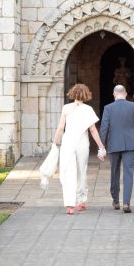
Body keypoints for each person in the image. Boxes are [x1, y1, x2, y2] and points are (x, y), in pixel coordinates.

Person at [53, 83, 107, 215]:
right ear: (85, 95)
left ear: (72, 94)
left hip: (68, 142)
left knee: (68, 172)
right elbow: (93, 130)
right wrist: (101, 146)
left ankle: (70, 205)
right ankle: (81, 202)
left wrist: (54, 142)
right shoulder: (88, 109)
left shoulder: (66, 108)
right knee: (81, 171)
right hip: (82, 143)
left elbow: (61, 128)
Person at [99, 85, 134, 213]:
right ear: (125, 94)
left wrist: (101, 146)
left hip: (114, 144)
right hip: (131, 144)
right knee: (128, 173)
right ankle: (126, 203)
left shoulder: (108, 108)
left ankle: (115, 201)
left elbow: (104, 128)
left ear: (114, 94)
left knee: (114, 172)